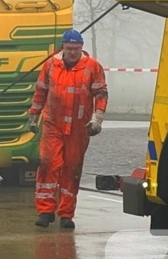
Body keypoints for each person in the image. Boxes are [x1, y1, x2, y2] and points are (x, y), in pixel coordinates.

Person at [28, 29, 108, 230]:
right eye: (69, 48)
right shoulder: (50, 66)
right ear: (63, 47)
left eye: (77, 48)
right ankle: (45, 211)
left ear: (82, 48)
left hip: (78, 127)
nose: (73, 52)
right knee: (48, 164)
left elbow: (101, 93)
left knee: (72, 168)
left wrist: (97, 118)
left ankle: (66, 214)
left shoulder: (92, 67)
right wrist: (33, 115)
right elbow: (40, 91)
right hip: (53, 124)